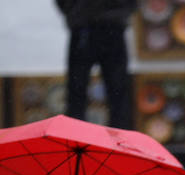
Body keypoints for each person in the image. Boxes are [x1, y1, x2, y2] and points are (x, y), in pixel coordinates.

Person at [57, 0, 135, 130]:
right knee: (78, 91)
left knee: (118, 92)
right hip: (86, 24)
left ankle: (121, 141)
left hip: (107, 24)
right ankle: (75, 138)